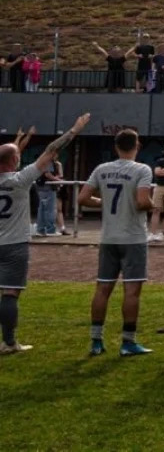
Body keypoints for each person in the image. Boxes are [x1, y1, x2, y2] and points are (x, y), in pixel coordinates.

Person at [0, 115, 88, 354]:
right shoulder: (20, 179)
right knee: (10, 292)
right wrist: (74, 130)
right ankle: (8, 343)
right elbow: (51, 151)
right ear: (14, 160)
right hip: (15, 243)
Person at [78, 128, 155, 356]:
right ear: (137, 146)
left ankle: (96, 341)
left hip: (108, 237)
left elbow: (82, 199)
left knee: (103, 288)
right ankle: (128, 342)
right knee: (131, 290)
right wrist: (154, 205)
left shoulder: (102, 169)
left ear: (116, 147)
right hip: (133, 238)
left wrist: (106, 203)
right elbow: (142, 202)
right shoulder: (142, 169)